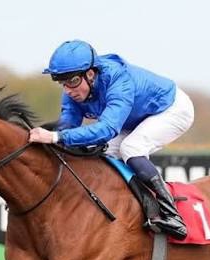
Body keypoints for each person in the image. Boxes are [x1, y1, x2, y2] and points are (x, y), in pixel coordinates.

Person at [29, 40, 194, 240]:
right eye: (62, 83)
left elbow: (108, 129)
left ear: (90, 74)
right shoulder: (73, 91)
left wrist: (55, 137)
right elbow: (68, 126)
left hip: (172, 109)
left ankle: (172, 215)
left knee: (131, 148)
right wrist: (50, 135)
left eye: (72, 81)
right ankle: (145, 205)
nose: (68, 90)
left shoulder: (118, 80)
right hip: (135, 118)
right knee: (103, 152)